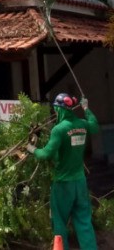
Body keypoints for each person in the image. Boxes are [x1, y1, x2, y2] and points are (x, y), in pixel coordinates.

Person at [28, 92, 99, 250]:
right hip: (80, 182)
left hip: (63, 184)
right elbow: (94, 125)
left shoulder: (59, 130)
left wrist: (32, 149)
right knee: (84, 222)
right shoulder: (82, 124)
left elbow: (46, 154)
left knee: (59, 222)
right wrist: (86, 109)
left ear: (59, 110)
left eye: (55, 109)